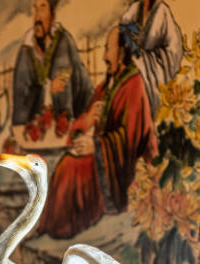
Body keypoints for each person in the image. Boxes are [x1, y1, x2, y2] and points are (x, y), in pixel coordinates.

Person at [35, 25, 158, 240]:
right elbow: (80, 127)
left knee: (70, 169)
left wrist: (96, 146)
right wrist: (87, 121)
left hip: (120, 170)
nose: (104, 56)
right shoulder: (106, 86)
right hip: (104, 158)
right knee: (66, 164)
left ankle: (60, 231)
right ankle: (49, 230)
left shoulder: (134, 84)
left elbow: (130, 139)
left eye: (108, 49)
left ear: (121, 53)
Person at [11, 0, 93, 135]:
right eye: (36, 10)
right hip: (37, 128)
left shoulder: (63, 41)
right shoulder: (26, 49)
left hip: (78, 117)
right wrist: (49, 87)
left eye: (42, 10)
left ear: (52, 16)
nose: (37, 17)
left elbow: (63, 82)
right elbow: (21, 96)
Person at [119, 0, 184, 118]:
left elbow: (173, 50)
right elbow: (122, 32)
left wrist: (145, 59)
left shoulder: (163, 11)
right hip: (133, 70)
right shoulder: (134, 8)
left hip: (156, 75)